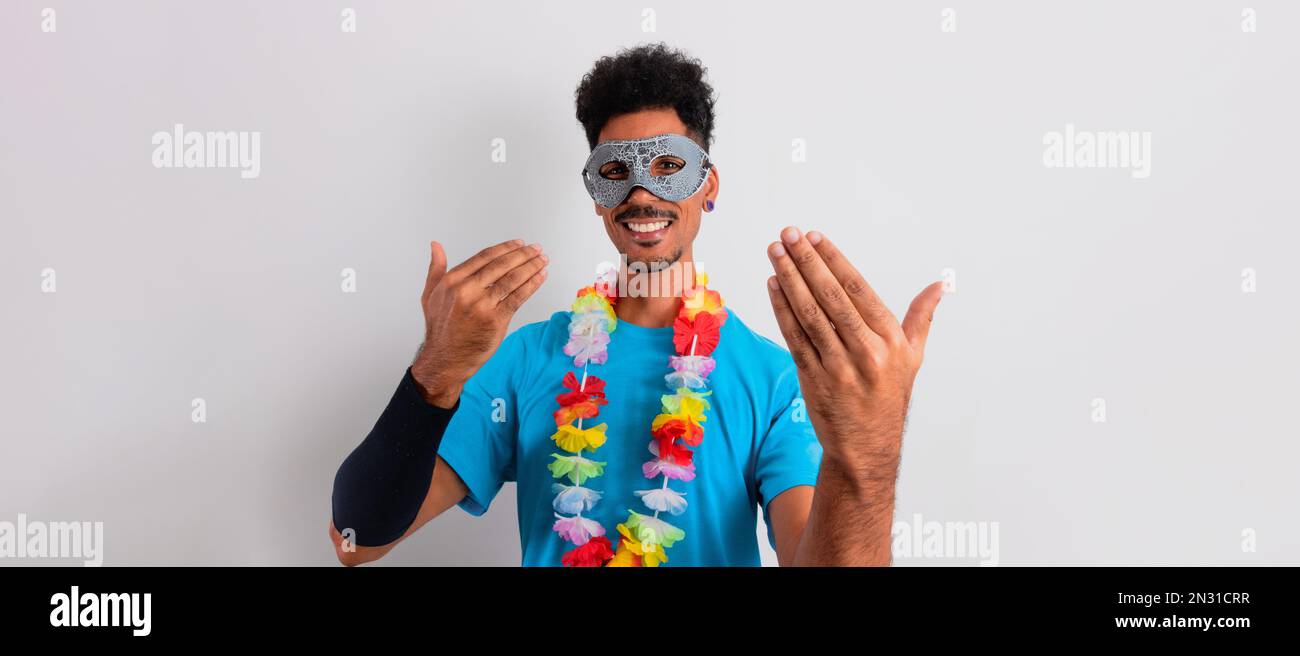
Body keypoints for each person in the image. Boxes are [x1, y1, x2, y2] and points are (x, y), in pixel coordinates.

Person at [329, 43, 943, 566]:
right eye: (617, 170)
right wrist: (434, 371)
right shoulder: (524, 358)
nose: (643, 192)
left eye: (670, 166)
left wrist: (866, 453)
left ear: (709, 186)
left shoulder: (772, 378)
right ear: (597, 196)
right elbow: (356, 541)